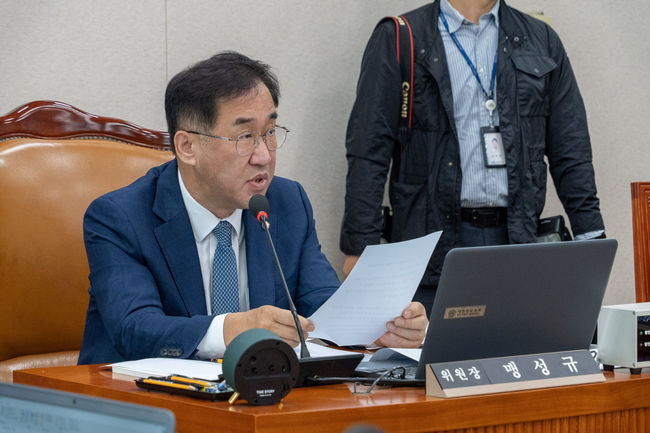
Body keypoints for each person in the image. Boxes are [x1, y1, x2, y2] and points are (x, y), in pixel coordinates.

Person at [78, 52, 427, 364]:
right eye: (245, 137)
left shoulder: (287, 202)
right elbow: (135, 328)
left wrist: (378, 328)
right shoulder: (120, 217)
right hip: (136, 401)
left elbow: (322, 302)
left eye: (271, 132)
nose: (264, 156)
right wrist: (233, 329)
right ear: (187, 147)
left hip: (255, 399)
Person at [340, 0, 605, 315]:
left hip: (517, 241)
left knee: (512, 342)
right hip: (429, 247)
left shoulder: (540, 39)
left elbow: (571, 148)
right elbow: (368, 149)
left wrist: (593, 238)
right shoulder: (401, 36)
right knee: (431, 346)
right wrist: (360, 247)